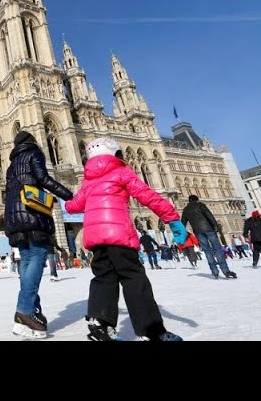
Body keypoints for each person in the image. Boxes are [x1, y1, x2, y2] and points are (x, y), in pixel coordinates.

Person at [65, 137, 187, 341]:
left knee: (103, 277)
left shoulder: (88, 180)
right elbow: (147, 195)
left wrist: (65, 199)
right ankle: (152, 331)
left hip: (96, 239)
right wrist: (172, 217)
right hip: (119, 235)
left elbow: (72, 206)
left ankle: (100, 325)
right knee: (134, 279)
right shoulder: (121, 171)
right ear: (115, 154)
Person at [4, 130, 73, 339]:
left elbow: (8, 191)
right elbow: (43, 178)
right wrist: (68, 195)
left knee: (26, 260)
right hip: (33, 212)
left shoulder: (11, 164)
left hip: (14, 215)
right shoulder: (34, 153)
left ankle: (29, 311)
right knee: (37, 256)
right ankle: (24, 311)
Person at [181, 194, 237, 279]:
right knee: (217, 249)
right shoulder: (200, 205)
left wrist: (182, 233)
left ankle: (214, 272)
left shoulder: (186, 209)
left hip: (198, 232)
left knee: (207, 251)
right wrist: (215, 226)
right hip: (209, 229)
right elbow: (209, 215)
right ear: (197, 200)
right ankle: (226, 271)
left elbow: (183, 223)